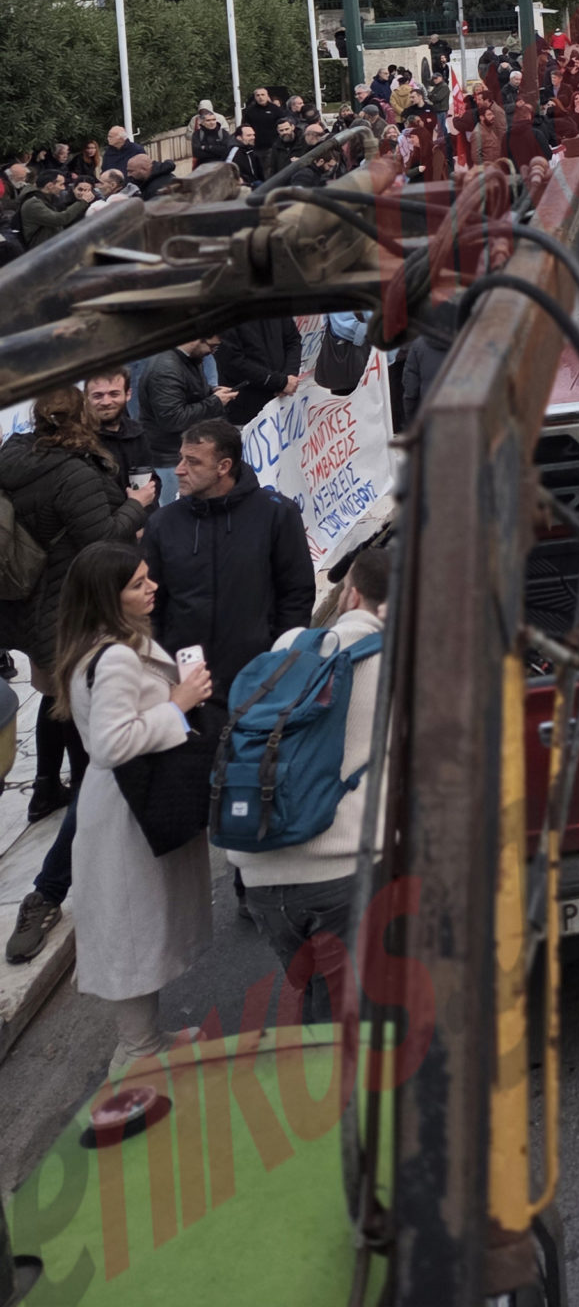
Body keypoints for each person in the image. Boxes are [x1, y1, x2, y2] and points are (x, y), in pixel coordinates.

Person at [52, 542, 213, 1075]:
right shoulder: (116, 656)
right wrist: (178, 705)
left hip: (127, 803)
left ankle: (146, 1040)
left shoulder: (104, 645)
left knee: (140, 925)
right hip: (127, 809)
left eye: (149, 578)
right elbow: (110, 745)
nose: (152, 588)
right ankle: (138, 1052)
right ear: (108, 596)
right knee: (133, 929)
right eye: (138, 583)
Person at [235, 541, 389, 1024]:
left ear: (349, 595)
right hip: (342, 872)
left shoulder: (288, 647)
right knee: (344, 1013)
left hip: (259, 873)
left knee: (316, 990)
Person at [0, 387, 154, 832]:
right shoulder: (73, 473)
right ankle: (88, 790)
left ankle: (45, 786)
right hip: (67, 600)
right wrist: (135, 507)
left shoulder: (13, 457)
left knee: (52, 692)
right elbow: (101, 538)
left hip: (24, 599)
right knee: (74, 697)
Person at [144, 417, 318, 707]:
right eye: (180, 459)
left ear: (223, 467)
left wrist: (278, 662)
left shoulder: (277, 515)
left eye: (193, 462)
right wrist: (163, 669)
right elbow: (150, 603)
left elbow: (296, 593)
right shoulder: (163, 523)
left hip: (258, 685)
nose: (179, 470)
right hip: (187, 692)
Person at [141, 335, 238, 475]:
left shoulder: (190, 358)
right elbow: (173, 419)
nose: (212, 352)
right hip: (169, 460)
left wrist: (211, 392)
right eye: (212, 346)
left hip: (181, 452)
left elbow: (187, 393)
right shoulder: (166, 369)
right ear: (195, 339)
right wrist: (215, 402)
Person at [216, 315, 303, 430]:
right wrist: (280, 382)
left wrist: (289, 377)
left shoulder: (275, 305)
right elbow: (232, 363)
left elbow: (293, 340)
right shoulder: (226, 314)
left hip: (283, 404)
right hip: (247, 409)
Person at [83, 368, 149, 491]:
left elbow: (148, 478)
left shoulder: (137, 432)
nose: (106, 402)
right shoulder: (79, 439)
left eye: (114, 394)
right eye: (98, 396)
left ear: (128, 394)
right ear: (86, 397)